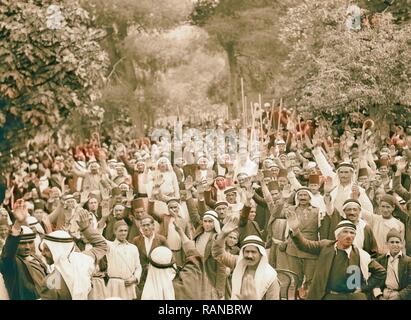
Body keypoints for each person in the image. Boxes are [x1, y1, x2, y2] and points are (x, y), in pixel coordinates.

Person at [287, 216, 386, 300]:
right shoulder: (325, 246)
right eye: (345, 232)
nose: (349, 236)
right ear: (337, 235)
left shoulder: (360, 255)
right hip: (328, 296)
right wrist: (296, 230)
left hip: (352, 297)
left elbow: (380, 272)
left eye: (352, 233)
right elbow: (305, 245)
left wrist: (363, 288)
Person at [39, 208, 108, 299]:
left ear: (58, 250)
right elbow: (102, 245)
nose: (42, 254)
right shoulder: (83, 261)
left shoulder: (52, 281)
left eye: (47, 249)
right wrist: (86, 228)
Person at [212, 226, 280, 300]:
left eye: (253, 252)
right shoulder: (239, 262)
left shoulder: (270, 277)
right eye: (247, 251)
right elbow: (218, 254)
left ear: (261, 254)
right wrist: (223, 235)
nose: (249, 256)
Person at [141, 222, 203, 300]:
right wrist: (181, 233)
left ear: (151, 265)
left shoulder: (146, 292)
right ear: (171, 262)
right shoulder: (186, 280)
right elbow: (194, 260)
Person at [0, 200, 48, 300]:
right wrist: (18, 224)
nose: (27, 247)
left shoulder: (38, 259)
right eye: (22, 243)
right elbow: (8, 253)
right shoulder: (11, 262)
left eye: (30, 242)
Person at [132, 215, 167, 298]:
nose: (146, 228)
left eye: (148, 225)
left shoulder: (161, 239)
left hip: (157, 276)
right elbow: (132, 259)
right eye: (143, 225)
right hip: (142, 277)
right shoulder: (136, 240)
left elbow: (169, 258)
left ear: (153, 226)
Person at [105, 220, 142, 300]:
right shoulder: (110, 246)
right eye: (120, 230)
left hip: (128, 284)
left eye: (125, 230)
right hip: (114, 285)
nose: (123, 233)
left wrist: (135, 278)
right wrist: (104, 218)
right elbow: (97, 237)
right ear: (115, 231)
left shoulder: (133, 248)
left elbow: (138, 267)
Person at [374, 229, 411, 300]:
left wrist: (399, 296)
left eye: (397, 242)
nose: (395, 245)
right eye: (392, 242)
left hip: (401, 294)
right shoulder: (380, 260)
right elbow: (375, 281)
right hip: (384, 293)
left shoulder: (408, 261)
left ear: (402, 244)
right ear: (386, 243)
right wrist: (379, 296)